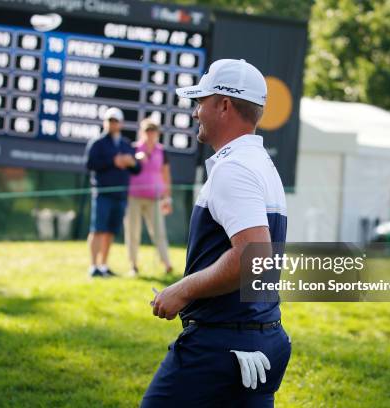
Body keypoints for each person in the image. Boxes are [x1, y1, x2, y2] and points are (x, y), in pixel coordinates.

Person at [142, 59, 291, 407]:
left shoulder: (234, 169)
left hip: (219, 348)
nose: (196, 112)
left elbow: (252, 259)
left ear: (224, 105)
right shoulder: (263, 166)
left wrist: (182, 290)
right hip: (261, 339)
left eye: (201, 101)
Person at [84, 107, 140, 277]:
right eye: (109, 120)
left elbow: (137, 169)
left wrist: (131, 162)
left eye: (115, 121)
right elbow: (90, 164)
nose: (112, 124)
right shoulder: (97, 142)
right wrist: (113, 161)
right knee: (98, 229)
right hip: (102, 193)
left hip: (120, 195)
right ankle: (93, 266)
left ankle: (103, 265)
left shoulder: (125, 144)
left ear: (121, 123)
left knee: (110, 231)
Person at [124, 118, 173, 276]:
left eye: (153, 130)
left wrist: (167, 198)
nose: (150, 134)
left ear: (157, 133)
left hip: (155, 197)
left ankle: (166, 263)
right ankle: (133, 265)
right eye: (147, 130)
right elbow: (126, 166)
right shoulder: (133, 149)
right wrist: (136, 158)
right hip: (134, 197)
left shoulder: (161, 151)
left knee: (159, 232)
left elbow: (166, 175)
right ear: (141, 132)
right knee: (133, 231)